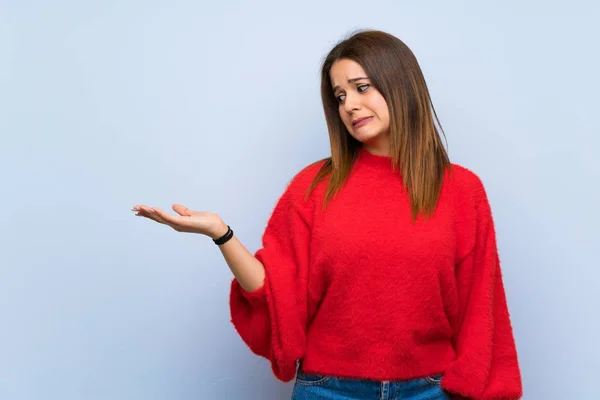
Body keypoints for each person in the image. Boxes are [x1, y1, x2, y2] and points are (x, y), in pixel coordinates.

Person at [132, 29, 523, 400]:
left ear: (400, 84)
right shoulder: (313, 186)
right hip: (328, 389)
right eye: (339, 96)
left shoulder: (461, 190)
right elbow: (277, 296)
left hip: (430, 389)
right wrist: (221, 233)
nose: (349, 105)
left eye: (361, 87)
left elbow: (482, 313)